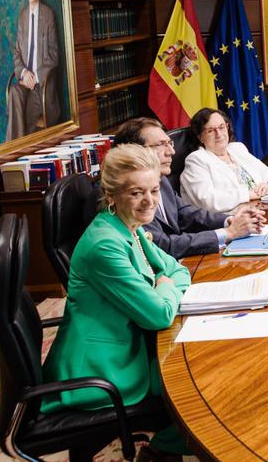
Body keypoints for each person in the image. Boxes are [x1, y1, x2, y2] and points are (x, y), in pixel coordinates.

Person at [40, 144, 191, 457]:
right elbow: (160, 314)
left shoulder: (130, 228)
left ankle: (164, 448)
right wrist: (165, 287)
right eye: (136, 193)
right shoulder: (104, 245)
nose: (149, 201)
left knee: (198, 367)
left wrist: (164, 285)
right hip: (100, 369)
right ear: (111, 195)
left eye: (153, 190)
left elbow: (179, 270)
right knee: (191, 386)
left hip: (128, 342)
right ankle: (162, 451)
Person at [112, 117, 265, 258]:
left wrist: (231, 220)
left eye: (169, 143)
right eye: (161, 145)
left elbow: (187, 215)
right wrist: (228, 233)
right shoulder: (126, 194)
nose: (171, 152)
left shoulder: (162, 181)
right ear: (133, 152)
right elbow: (162, 245)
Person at [181, 108, 268, 213]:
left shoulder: (237, 148)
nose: (219, 134)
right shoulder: (196, 160)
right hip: (229, 221)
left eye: (222, 127)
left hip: (259, 209)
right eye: (210, 130)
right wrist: (249, 194)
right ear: (200, 137)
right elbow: (207, 201)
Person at [6, 0, 60, 140]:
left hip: (41, 85)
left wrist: (35, 76)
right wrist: (23, 73)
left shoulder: (48, 14)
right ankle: (15, 149)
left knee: (26, 112)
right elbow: (17, 52)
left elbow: (53, 56)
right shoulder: (22, 16)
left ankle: (16, 151)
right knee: (14, 93)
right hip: (24, 81)